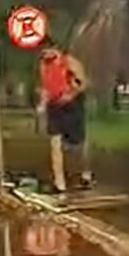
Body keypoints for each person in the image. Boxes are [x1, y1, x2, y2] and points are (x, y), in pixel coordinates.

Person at [39, 44, 92, 193]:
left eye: (47, 51)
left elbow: (83, 83)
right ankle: (59, 181)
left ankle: (85, 173)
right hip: (54, 106)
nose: (45, 54)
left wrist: (72, 94)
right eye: (43, 52)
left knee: (78, 143)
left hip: (72, 105)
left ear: (55, 49)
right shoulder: (43, 65)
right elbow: (45, 86)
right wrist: (42, 104)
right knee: (55, 143)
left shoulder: (69, 62)